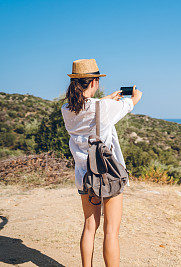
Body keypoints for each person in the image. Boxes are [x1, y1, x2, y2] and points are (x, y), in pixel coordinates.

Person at [61, 59, 142, 267]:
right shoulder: (103, 107)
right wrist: (135, 97)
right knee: (111, 232)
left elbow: (90, 109)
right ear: (95, 82)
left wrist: (107, 99)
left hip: (84, 177)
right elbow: (127, 105)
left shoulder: (66, 109)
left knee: (89, 226)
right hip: (107, 176)